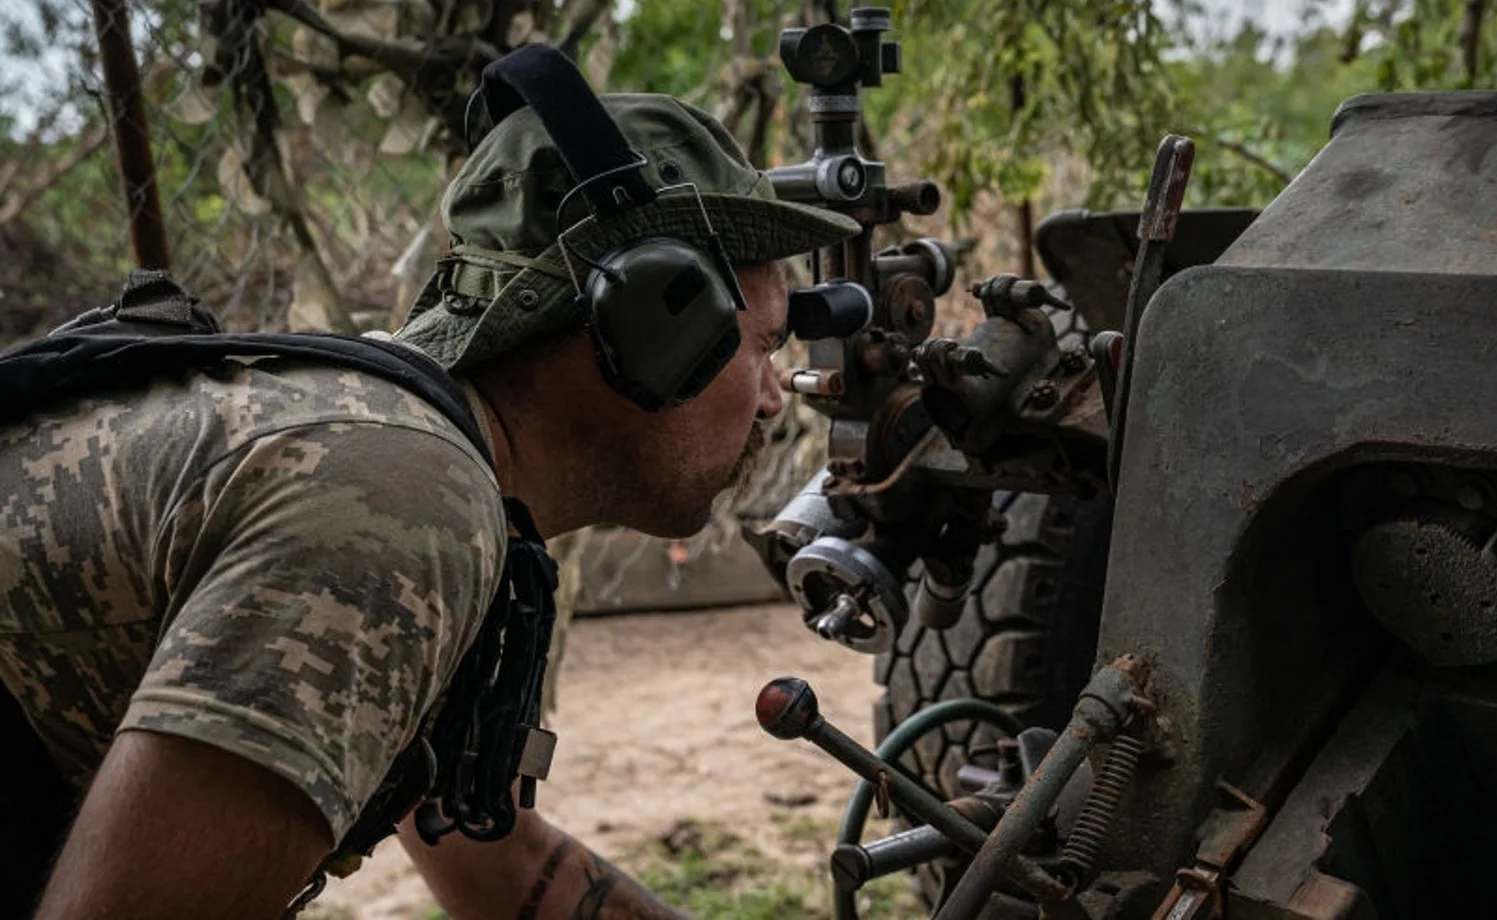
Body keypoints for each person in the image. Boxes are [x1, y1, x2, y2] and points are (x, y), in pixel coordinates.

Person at [0, 85, 859, 918]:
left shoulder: (410, 461)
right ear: (656, 322)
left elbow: (496, 860)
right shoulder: (397, 500)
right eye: (761, 345)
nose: (777, 398)